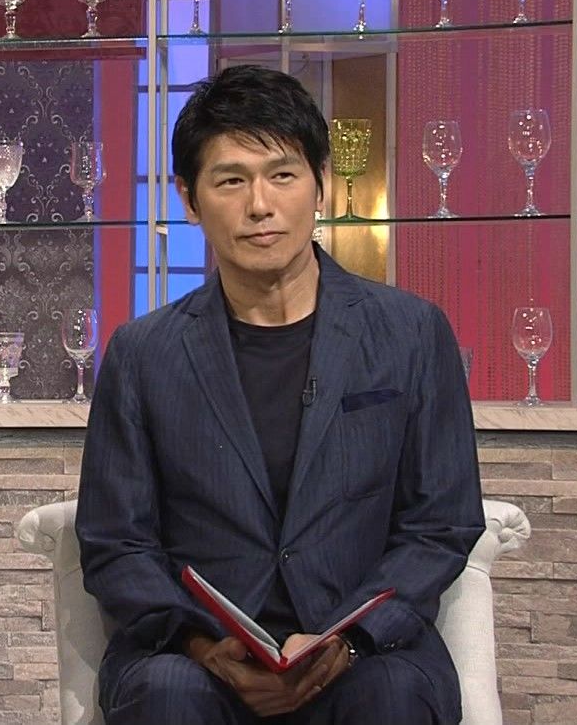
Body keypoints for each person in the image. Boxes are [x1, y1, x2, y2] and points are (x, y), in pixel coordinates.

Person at [75, 64, 484, 724]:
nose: (260, 205)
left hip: (364, 653)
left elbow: (441, 523)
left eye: (282, 175)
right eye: (231, 181)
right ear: (189, 198)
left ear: (320, 182)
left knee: (394, 696)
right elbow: (115, 541)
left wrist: (349, 643)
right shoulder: (142, 354)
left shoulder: (411, 334)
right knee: (167, 695)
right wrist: (204, 646)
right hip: (196, 657)